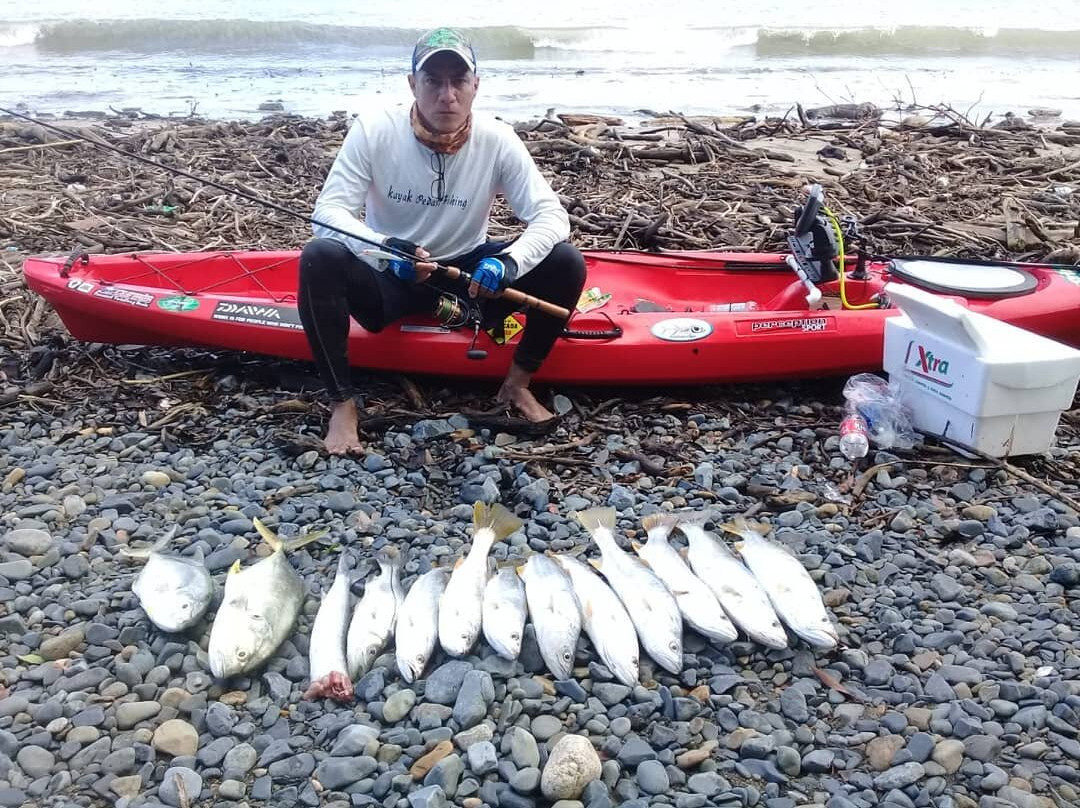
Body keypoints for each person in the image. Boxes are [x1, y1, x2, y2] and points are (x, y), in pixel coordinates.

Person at [297, 27, 586, 455]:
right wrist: (383, 246)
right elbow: (329, 214)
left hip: (468, 277)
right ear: (413, 85)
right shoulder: (374, 130)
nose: (446, 94)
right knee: (319, 256)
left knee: (566, 263)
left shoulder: (497, 138)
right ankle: (343, 405)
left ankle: (517, 384)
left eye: (458, 81)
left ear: (476, 86)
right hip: (390, 278)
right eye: (433, 81)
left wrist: (509, 263)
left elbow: (551, 216)